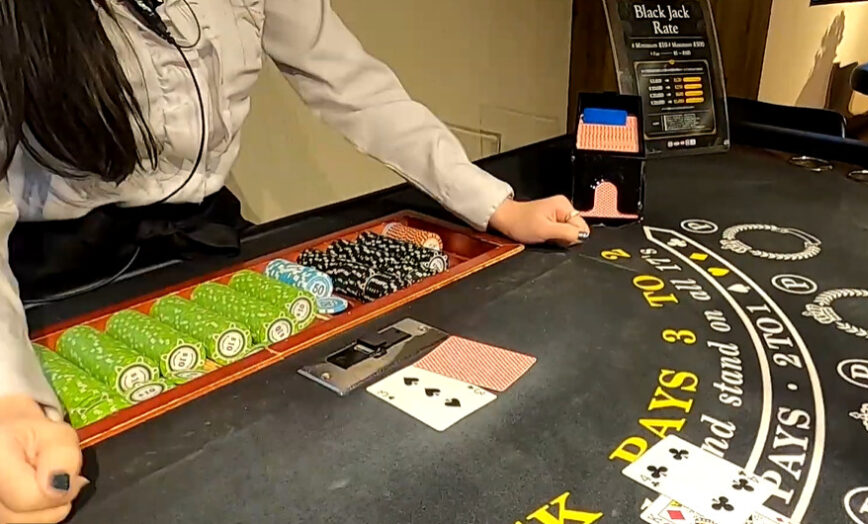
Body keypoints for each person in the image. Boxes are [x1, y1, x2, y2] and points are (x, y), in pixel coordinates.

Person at [0, 1, 589, 522]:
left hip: (207, 241)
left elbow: (356, 88)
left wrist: (493, 204)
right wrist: (8, 396)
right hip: (47, 276)